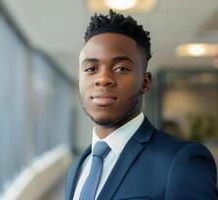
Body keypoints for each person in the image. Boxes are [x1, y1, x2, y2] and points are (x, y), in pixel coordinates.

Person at [65, 10, 218, 200]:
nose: (103, 79)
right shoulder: (78, 167)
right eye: (91, 69)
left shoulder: (180, 162)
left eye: (121, 68)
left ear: (145, 82)